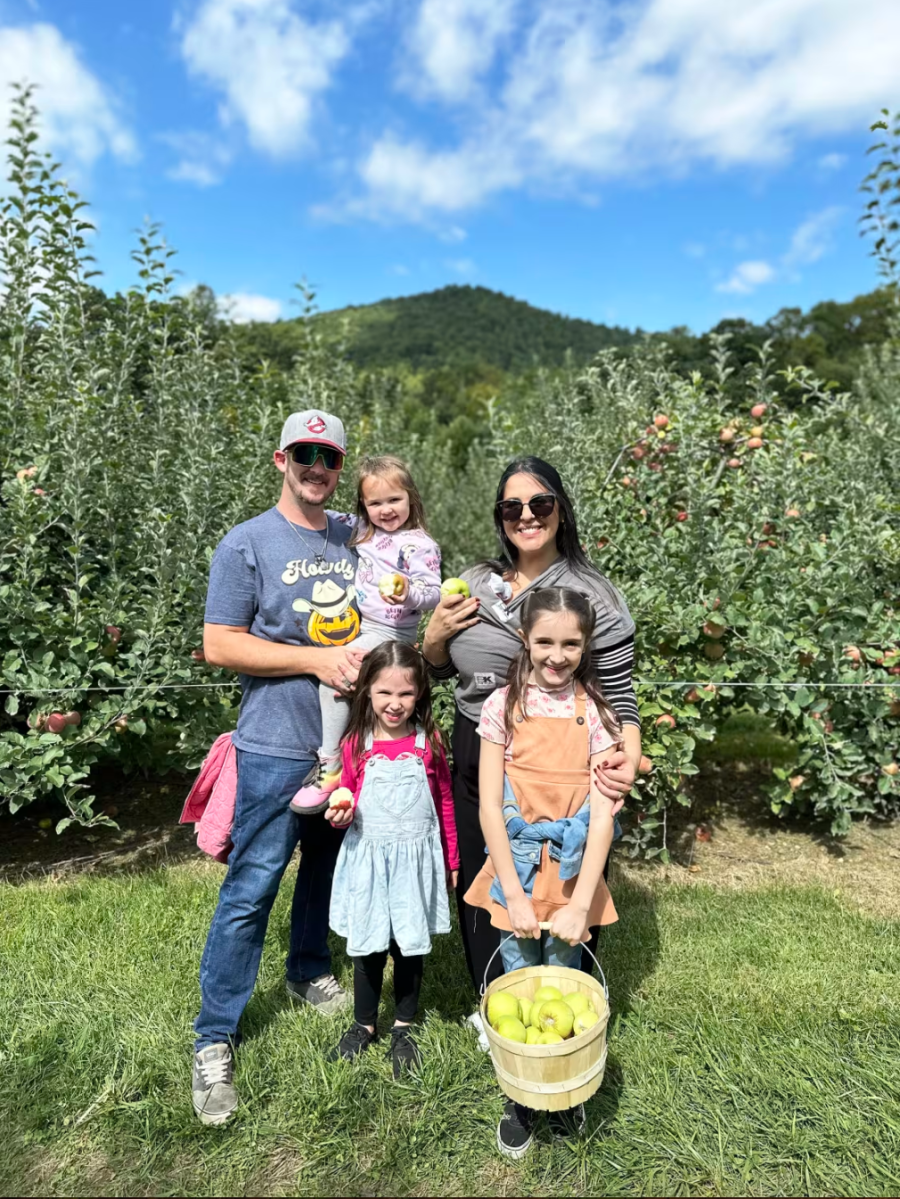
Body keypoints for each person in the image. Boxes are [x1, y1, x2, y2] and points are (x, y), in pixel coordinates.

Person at [421, 457, 641, 1040]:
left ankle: (566, 1002)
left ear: (560, 510)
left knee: (562, 881)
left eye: (539, 504)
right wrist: (435, 639)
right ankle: (495, 1000)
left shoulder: (592, 596)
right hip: (483, 744)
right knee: (490, 875)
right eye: (511, 507)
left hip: (566, 761)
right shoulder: (478, 583)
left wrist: (627, 761)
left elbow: (621, 701)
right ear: (499, 518)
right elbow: (438, 671)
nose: (526, 516)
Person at [191, 409, 369, 1126]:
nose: (317, 467)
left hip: (346, 747)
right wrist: (313, 657)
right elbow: (218, 644)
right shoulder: (247, 544)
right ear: (281, 458)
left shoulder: (358, 536)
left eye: (329, 457)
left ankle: (306, 970)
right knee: (252, 886)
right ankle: (213, 1037)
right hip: (272, 746)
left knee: (326, 871)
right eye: (305, 453)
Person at [467, 587, 625, 1157]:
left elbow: (603, 813)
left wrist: (582, 902)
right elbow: (489, 805)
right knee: (516, 972)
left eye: (571, 644)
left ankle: (564, 1080)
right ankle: (522, 1092)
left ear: (586, 646)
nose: (556, 655)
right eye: (544, 641)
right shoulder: (501, 706)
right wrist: (512, 889)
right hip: (517, 864)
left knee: (564, 969)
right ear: (524, 640)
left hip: (571, 866)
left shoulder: (597, 713)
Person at [325, 642, 459, 1076]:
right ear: (367, 692)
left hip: (415, 862)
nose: (394, 703)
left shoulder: (429, 743)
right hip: (368, 859)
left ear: (419, 693)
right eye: (384, 693)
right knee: (368, 948)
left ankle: (403, 1025)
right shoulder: (356, 745)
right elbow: (346, 802)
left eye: (405, 693)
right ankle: (363, 1024)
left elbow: (445, 806)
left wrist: (452, 860)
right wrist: (339, 816)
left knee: (407, 946)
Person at [290, 455, 442, 813]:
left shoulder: (420, 544)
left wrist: (408, 591)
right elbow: (325, 518)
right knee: (355, 695)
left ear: (411, 499)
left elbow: (433, 592)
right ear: (364, 506)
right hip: (366, 627)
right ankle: (355, 761)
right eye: (375, 503)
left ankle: (330, 767)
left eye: (394, 500)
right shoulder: (362, 531)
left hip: (392, 633)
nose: (386, 509)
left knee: (335, 679)